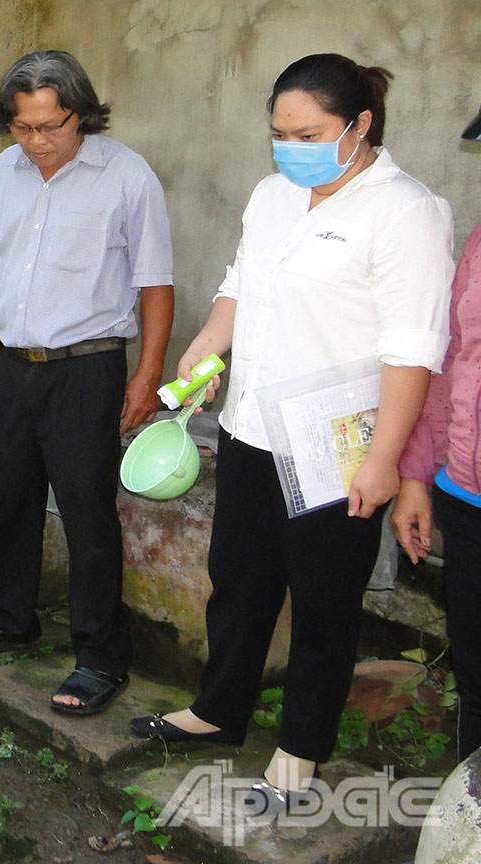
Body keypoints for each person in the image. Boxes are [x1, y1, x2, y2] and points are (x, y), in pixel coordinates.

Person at [129, 54, 453, 815]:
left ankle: (302, 746)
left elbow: (413, 350)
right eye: (278, 133)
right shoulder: (274, 194)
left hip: (338, 445)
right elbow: (241, 285)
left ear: (360, 126)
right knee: (238, 582)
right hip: (250, 427)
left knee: (323, 599)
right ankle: (218, 710)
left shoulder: (406, 211)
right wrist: (207, 344)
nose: (289, 148)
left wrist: (384, 461)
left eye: (307, 133)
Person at [0, 50, 174, 719]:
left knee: (87, 514)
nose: (38, 142)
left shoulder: (127, 177)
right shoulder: (6, 174)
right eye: (23, 128)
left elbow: (155, 283)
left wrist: (149, 373)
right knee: (6, 498)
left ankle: (101, 657)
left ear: (83, 114)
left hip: (88, 368)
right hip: (14, 363)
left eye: (53, 126)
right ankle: (11, 619)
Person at [392, 100, 481, 764]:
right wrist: (420, 474)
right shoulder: (479, 242)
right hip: (468, 492)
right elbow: (450, 362)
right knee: (477, 681)